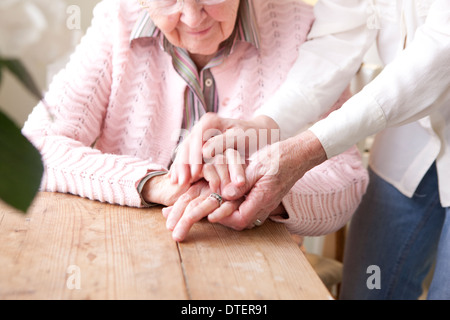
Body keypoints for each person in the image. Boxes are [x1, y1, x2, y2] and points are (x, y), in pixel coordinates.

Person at [22, 0, 368, 244]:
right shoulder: (117, 18)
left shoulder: (300, 28)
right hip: (121, 250)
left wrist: (255, 190)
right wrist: (161, 185)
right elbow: (36, 145)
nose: (191, 17)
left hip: (257, 266)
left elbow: (347, 178)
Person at [173, 0, 449, 299]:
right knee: (368, 289)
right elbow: (338, 37)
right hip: (412, 138)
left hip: (417, 96)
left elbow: (440, 53)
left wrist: (307, 148)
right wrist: (265, 124)